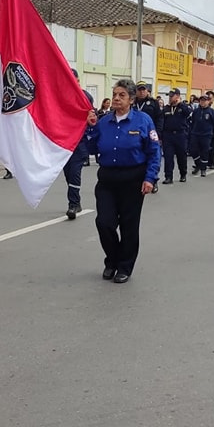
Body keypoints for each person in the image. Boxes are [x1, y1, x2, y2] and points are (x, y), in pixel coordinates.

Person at [83, 79, 161, 284]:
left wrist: (150, 178)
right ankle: (112, 260)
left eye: (122, 95)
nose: (116, 98)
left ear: (132, 99)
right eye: (115, 94)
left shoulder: (143, 121)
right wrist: (90, 128)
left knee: (129, 225)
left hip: (133, 180)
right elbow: (91, 150)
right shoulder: (104, 121)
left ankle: (124, 266)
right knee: (104, 222)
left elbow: (154, 151)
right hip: (108, 179)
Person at [63, 69, 96, 219]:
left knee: (75, 173)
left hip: (79, 142)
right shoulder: (61, 95)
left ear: (77, 80)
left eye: (72, 79)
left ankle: (73, 205)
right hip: (64, 142)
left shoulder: (85, 96)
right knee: (68, 174)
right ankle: (75, 200)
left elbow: (91, 115)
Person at [133, 81, 163, 193]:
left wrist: (158, 134)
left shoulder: (153, 103)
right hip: (135, 134)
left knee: (153, 157)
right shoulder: (132, 103)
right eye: (139, 90)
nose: (141, 92)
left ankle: (153, 181)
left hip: (151, 134)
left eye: (143, 89)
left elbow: (160, 118)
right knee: (139, 158)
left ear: (147, 91)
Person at [160, 88, 192, 183]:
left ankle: (183, 174)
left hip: (180, 135)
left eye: (172, 96)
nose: (170, 98)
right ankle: (168, 177)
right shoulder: (166, 108)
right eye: (169, 96)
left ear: (177, 96)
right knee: (168, 157)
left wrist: (180, 104)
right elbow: (162, 122)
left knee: (181, 156)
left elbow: (189, 113)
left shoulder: (183, 107)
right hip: (168, 135)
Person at [188, 94, 214, 177]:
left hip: (206, 135)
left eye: (204, 100)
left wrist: (211, 133)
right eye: (201, 100)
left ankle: (203, 169)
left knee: (204, 152)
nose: (202, 102)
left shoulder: (212, 112)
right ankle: (198, 164)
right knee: (193, 150)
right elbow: (192, 122)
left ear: (208, 101)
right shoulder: (196, 111)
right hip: (195, 134)